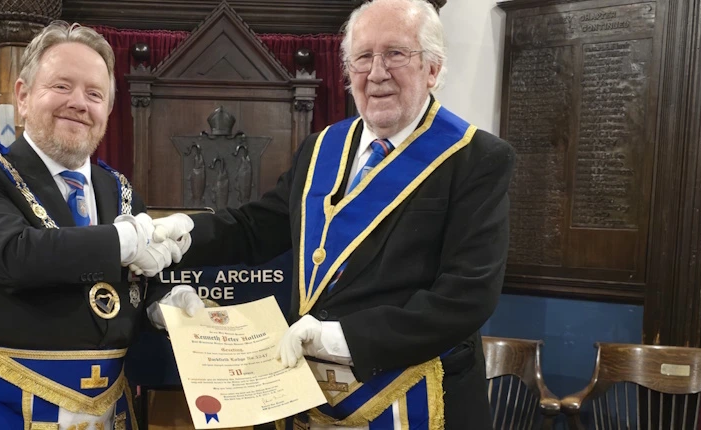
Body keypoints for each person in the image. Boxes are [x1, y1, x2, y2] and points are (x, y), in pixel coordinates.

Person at [151, 0, 515, 428]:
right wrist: (181, 232)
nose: (376, 72)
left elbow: (466, 298)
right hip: (312, 402)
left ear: (432, 69)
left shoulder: (476, 158)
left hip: (418, 399)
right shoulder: (321, 148)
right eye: (362, 57)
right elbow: (257, 229)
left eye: (395, 54)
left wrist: (339, 338)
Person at [0, 21, 204, 430]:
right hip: (2, 405)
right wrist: (125, 240)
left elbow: (135, 279)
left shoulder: (120, 191)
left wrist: (161, 304)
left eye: (95, 94)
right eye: (62, 86)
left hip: (108, 409)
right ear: (23, 96)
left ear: (108, 111)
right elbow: (16, 256)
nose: (79, 103)